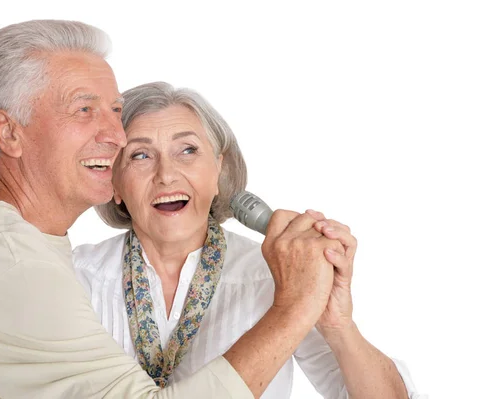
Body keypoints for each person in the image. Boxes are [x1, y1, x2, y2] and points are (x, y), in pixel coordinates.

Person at [0, 19, 358, 398]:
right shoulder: (27, 270)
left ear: (219, 170)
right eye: (83, 110)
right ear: (9, 133)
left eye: (114, 110)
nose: (115, 136)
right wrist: (296, 305)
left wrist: (330, 317)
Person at [74, 82, 424, 398]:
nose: (166, 175)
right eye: (140, 155)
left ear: (219, 171)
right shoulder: (72, 275)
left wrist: (337, 324)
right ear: (114, 184)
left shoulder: (277, 277)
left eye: (188, 151)